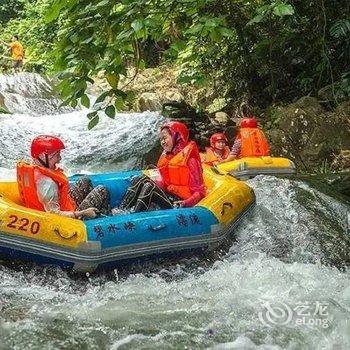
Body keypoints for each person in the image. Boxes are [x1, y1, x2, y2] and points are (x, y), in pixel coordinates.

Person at [114, 120, 206, 213]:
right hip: (169, 195)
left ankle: (132, 216)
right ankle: (122, 209)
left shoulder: (191, 160)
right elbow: (165, 182)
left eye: (165, 138)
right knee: (141, 179)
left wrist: (185, 203)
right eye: (161, 139)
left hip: (180, 202)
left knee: (149, 187)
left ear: (177, 137)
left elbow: (200, 192)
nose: (162, 142)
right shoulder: (169, 156)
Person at [17, 135, 110, 219]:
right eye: (56, 155)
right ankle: (107, 219)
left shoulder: (34, 170)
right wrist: (83, 212)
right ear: (42, 156)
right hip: (67, 220)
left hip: (59, 206)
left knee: (85, 180)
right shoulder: (47, 184)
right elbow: (54, 215)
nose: (59, 159)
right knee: (102, 190)